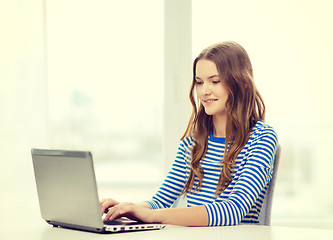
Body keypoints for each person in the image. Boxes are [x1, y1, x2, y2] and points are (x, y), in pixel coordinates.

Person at [100, 41, 278, 227]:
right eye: (199, 82)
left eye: (215, 81)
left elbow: (233, 210)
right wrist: (125, 208)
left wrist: (150, 216)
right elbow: (160, 201)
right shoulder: (193, 142)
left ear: (242, 84)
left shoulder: (261, 138)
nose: (204, 91)